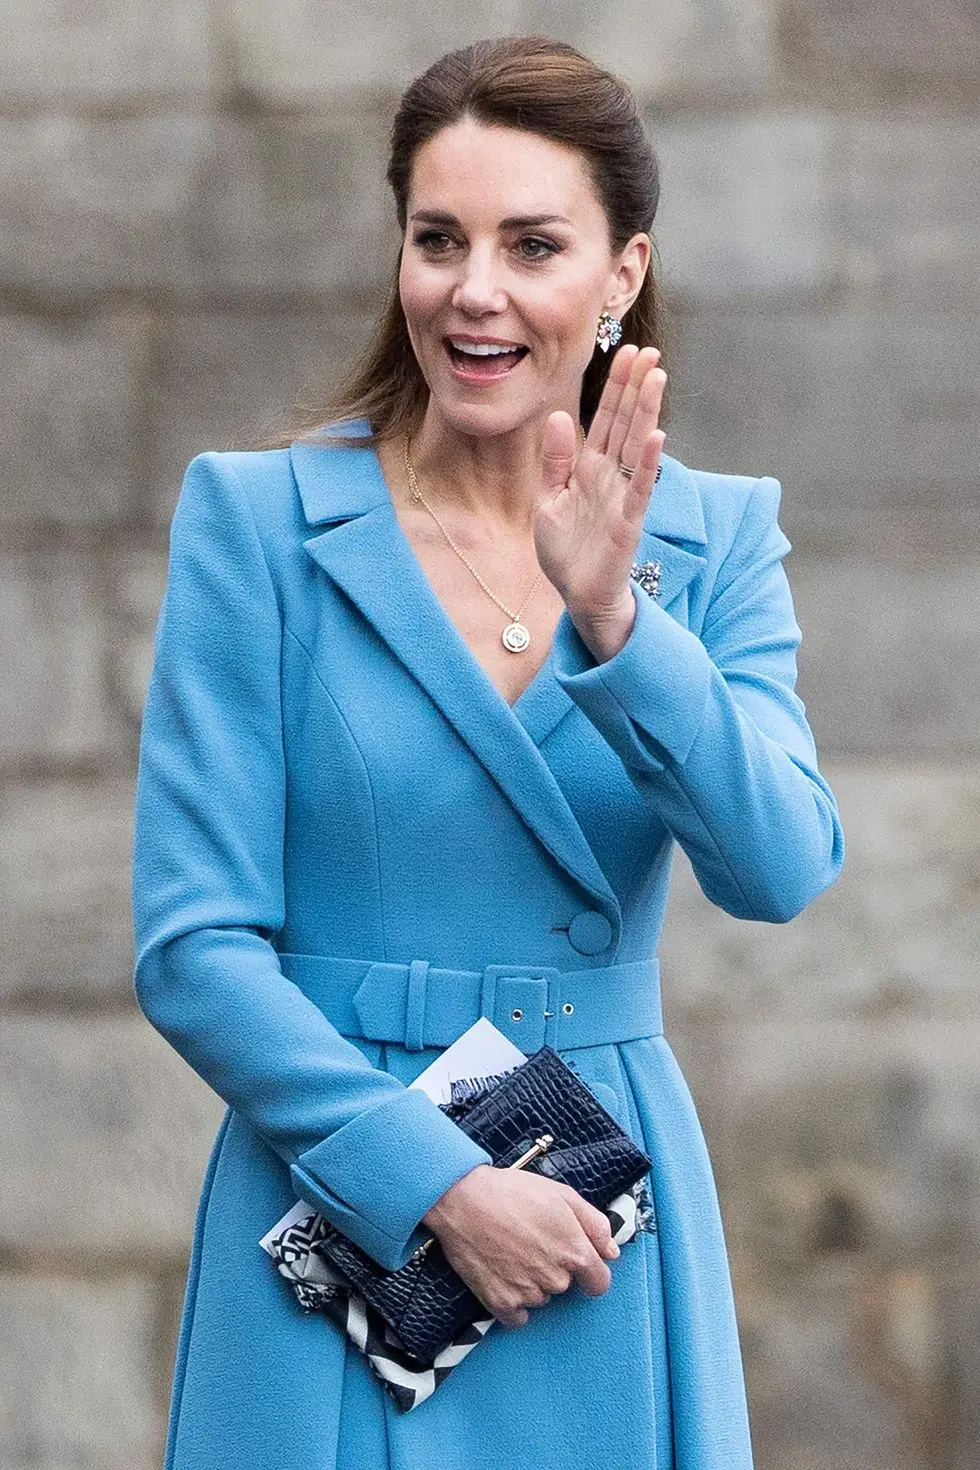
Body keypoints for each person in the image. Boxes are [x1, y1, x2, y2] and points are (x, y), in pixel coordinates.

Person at [131, 34, 844, 1470]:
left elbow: (778, 866)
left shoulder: (709, 538)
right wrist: (437, 1183)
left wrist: (616, 617)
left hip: (592, 1205)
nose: (475, 290)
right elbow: (193, 945)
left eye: (533, 245)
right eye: (438, 238)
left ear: (622, 274)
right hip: (337, 1188)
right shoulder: (259, 524)